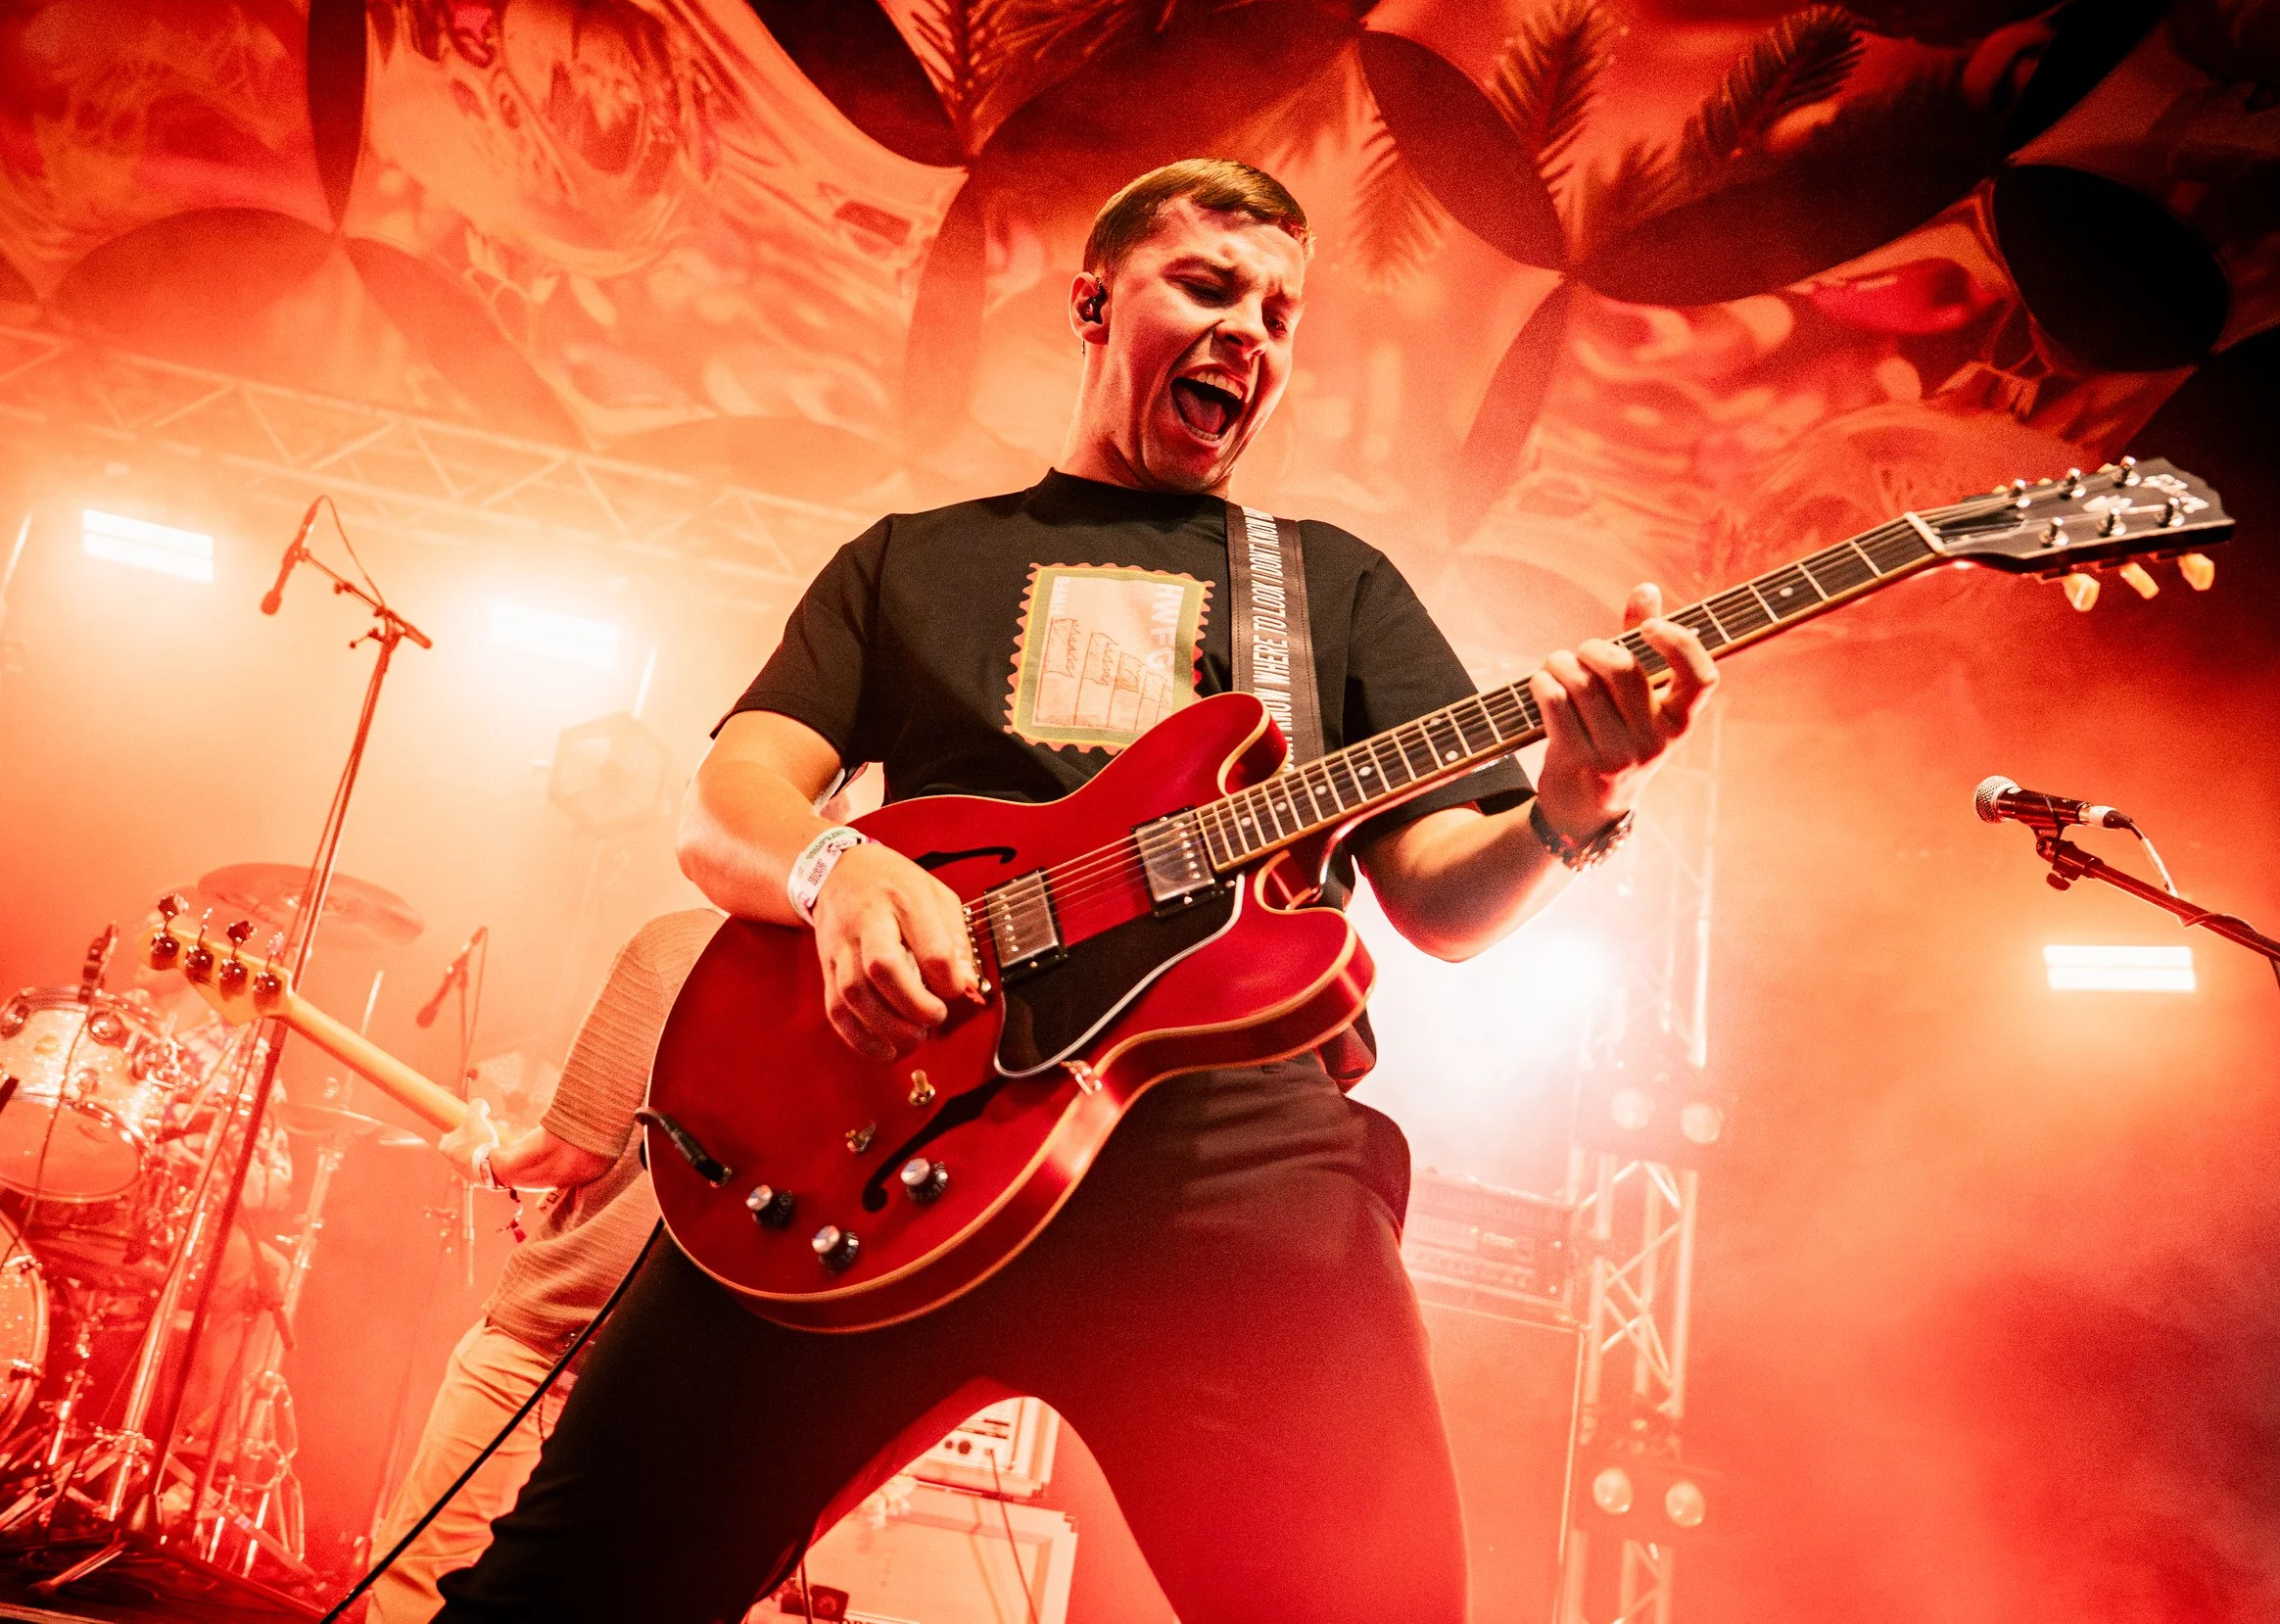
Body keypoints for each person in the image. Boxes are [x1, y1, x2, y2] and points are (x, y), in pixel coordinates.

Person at [434, 159, 1717, 1623]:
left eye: (1284, 314)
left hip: (1222, 1158)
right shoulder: (911, 562)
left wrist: (1574, 798)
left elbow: (1436, 898)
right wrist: (838, 865)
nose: (1253, 334)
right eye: (1212, 288)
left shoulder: (1331, 588)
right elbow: (728, 802)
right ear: (1096, 301)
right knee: (560, 1593)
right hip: (884, 1125)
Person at [364, 908, 721, 1624]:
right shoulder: (885, 966)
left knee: (425, 1571)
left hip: (558, 1332)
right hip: (708, 1370)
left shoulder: (681, 945)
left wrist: (487, 1159)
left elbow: (573, 1151)